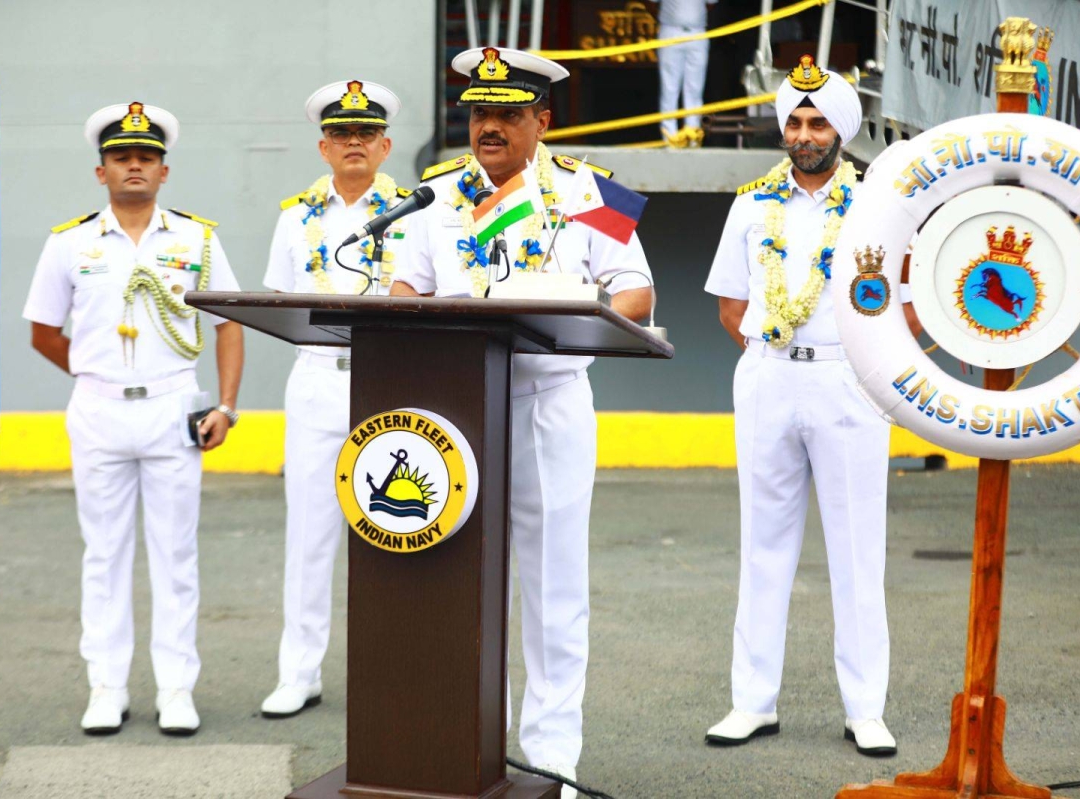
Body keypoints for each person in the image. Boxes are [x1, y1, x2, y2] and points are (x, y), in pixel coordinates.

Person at [391, 46, 654, 798]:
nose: (489, 127)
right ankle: (466, 746)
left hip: (546, 405)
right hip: (453, 409)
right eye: (479, 114)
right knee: (454, 584)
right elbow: (404, 288)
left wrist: (574, 309)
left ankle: (549, 757)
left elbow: (635, 293)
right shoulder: (434, 199)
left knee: (551, 588)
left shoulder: (591, 194)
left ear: (543, 120)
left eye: (507, 114)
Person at [23, 102, 244, 736]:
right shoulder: (70, 242)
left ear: (164, 170)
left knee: (175, 555)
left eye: (146, 157)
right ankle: (107, 685)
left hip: (174, 405)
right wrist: (96, 375)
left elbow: (229, 322)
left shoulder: (197, 239)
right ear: (102, 172)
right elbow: (42, 330)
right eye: (122, 157)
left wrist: (226, 405)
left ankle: (176, 688)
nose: (135, 166)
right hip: (98, 411)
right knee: (104, 553)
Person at [703, 56, 899, 756]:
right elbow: (732, 305)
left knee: (856, 550)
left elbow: (899, 300)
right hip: (769, 375)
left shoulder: (877, 202)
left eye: (818, 121)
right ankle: (751, 702)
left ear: (841, 130)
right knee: (763, 545)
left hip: (849, 380)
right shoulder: (752, 203)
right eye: (795, 120)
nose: (805, 132)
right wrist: (774, 352)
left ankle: (865, 707)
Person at [259, 80, 411, 718]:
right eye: (342, 135)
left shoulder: (414, 211)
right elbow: (276, 300)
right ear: (324, 148)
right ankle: (300, 672)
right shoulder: (295, 217)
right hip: (319, 377)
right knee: (311, 530)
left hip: (393, 375)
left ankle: (396, 668)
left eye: (365, 135)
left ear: (385, 145)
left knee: (398, 528)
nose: (354, 144)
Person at [650, 0, 718, 148]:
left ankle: (692, 136)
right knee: (669, 88)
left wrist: (692, 17)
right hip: (670, 31)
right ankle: (669, 139)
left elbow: (710, 4)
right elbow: (652, 4)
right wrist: (669, 18)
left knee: (695, 89)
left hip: (697, 31)